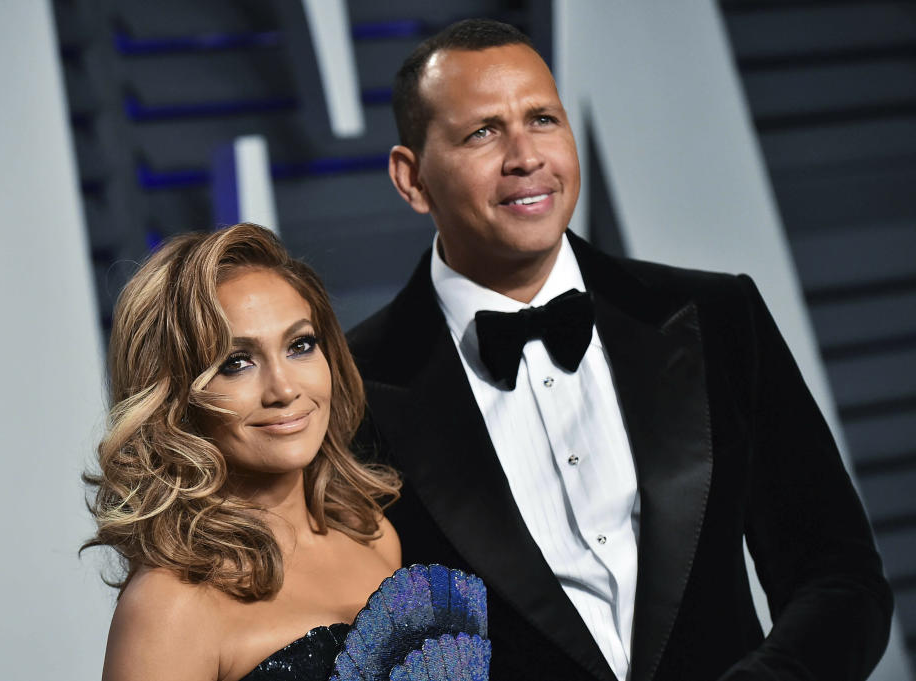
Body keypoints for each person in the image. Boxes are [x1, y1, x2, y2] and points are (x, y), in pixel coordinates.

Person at [348, 19, 894, 681]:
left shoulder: (719, 317)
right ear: (411, 179)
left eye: (542, 119)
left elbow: (838, 576)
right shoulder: (350, 388)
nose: (526, 156)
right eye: (482, 132)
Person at [83, 224, 491, 681]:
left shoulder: (372, 534)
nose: (284, 389)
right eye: (236, 363)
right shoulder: (170, 605)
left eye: (300, 346)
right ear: (176, 399)